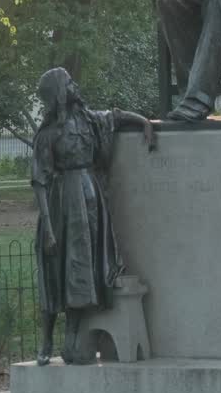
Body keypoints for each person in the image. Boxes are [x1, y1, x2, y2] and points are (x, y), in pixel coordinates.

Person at [30, 67, 156, 366]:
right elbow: (39, 181)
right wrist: (47, 226)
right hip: (62, 204)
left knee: (80, 273)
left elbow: (116, 116)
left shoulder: (88, 120)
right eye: (69, 82)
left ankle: (72, 340)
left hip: (90, 202)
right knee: (54, 272)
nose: (75, 85)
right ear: (60, 92)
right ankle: (47, 340)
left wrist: (145, 124)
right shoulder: (48, 134)